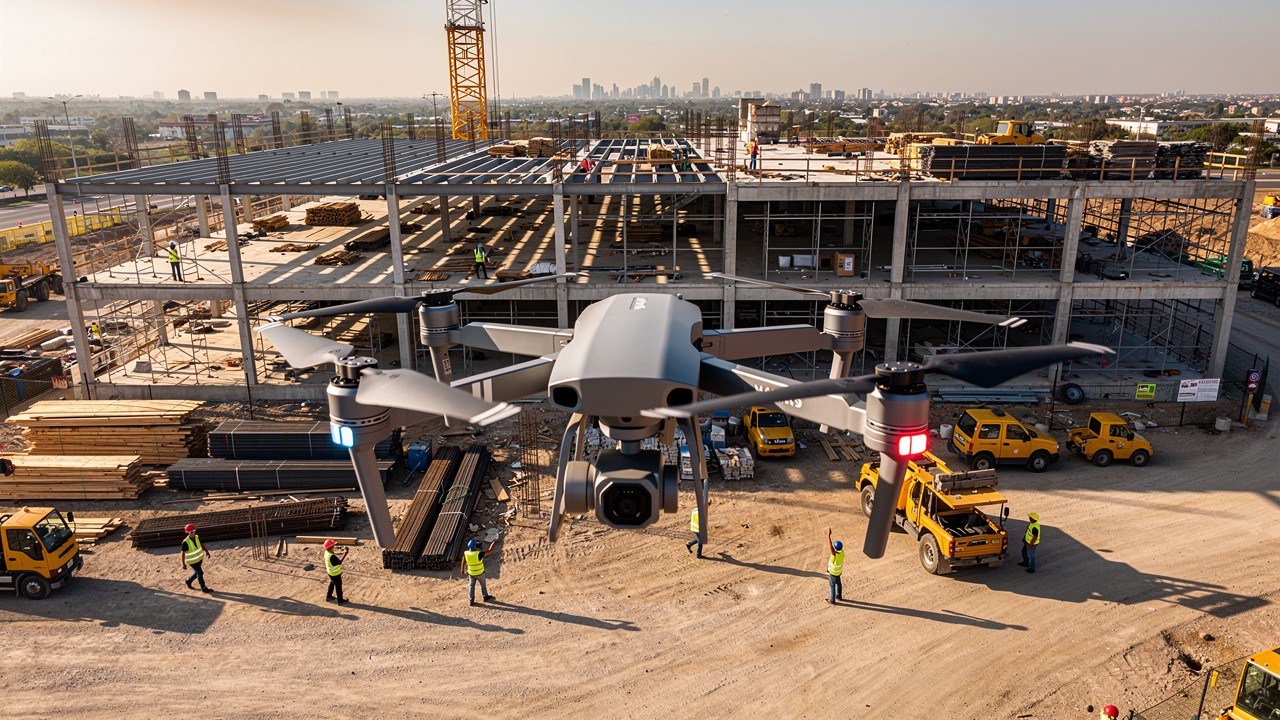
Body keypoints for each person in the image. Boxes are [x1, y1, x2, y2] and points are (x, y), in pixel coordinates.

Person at [462, 539, 496, 605]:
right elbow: (489, 551)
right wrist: (493, 543)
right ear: (475, 547)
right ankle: (485, 596)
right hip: (480, 573)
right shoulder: (479, 554)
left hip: (471, 573)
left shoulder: (466, 553)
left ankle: (471, 600)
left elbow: (463, 560)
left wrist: (462, 570)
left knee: (471, 586)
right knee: (483, 585)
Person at [180, 523, 213, 593]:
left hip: (199, 559)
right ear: (188, 533)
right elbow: (183, 553)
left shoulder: (197, 537)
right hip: (192, 561)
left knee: (198, 572)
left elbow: (201, 544)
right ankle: (203, 587)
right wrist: (183, 564)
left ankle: (188, 581)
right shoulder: (185, 542)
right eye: (191, 532)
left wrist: (207, 551)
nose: (193, 533)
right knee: (200, 572)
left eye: (194, 531)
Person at [323, 539, 348, 604]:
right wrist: (346, 554)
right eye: (333, 546)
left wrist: (343, 552)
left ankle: (329, 596)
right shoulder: (332, 557)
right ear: (330, 547)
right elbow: (339, 562)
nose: (334, 547)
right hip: (335, 574)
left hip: (330, 573)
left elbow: (333, 553)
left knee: (332, 583)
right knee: (338, 586)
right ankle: (340, 600)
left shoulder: (327, 552)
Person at [826, 528, 844, 604]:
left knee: (832, 586)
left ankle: (832, 600)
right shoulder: (842, 553)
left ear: (835, 548)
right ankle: (839, 596)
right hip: (838, 572)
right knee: (838, 584)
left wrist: (828, 536)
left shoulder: (835, 554)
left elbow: (831, 548)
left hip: (833, 573)